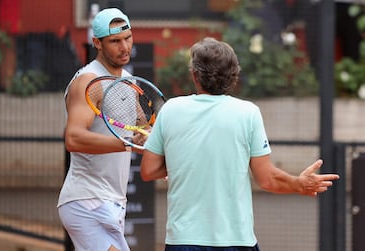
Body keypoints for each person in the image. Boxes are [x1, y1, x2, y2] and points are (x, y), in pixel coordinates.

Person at [140, 37, 340, 251]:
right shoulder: (248, 113)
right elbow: (267, 179)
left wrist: (182, 162)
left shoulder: (171, 109)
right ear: (234, 76)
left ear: (194, 75)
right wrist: (298, 184)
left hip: (183, 241)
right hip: (237, 241)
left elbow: (148, 170)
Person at [57, 8, 141, 251]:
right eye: (115, 41)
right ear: (97, 43)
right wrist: (126, 143)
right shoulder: (88, 81)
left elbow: (143, 136)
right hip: (86, 201)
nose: (124, 47)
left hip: (113, 201)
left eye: (128, 38)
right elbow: (73, 138)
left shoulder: (129, 81)